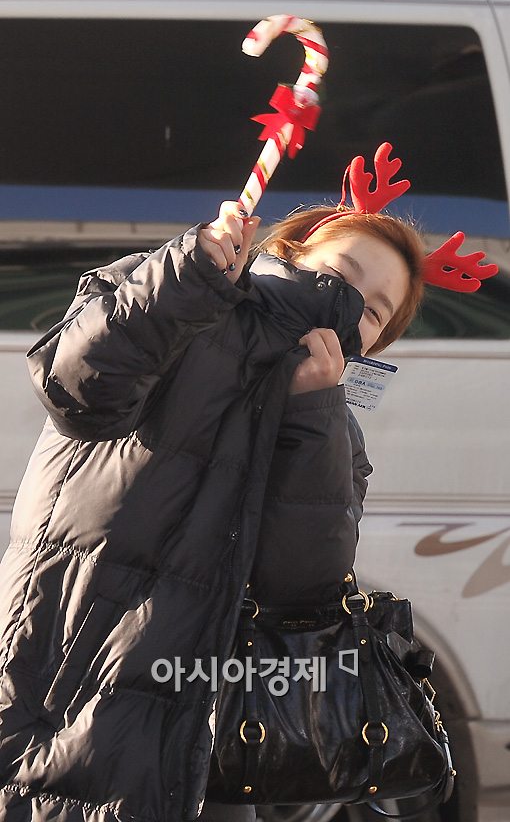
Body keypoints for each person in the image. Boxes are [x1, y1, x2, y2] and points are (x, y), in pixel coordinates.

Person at [0, 144, 495, 822]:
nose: (349, 305)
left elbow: (304, 585)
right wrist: (186, 274)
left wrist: (313, 414)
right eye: (342, 274)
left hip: (208, 717)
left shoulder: (334, 423)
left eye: (375, 313)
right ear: (289, 249)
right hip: (65, 667)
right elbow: (78, 389)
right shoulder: (176, 293)